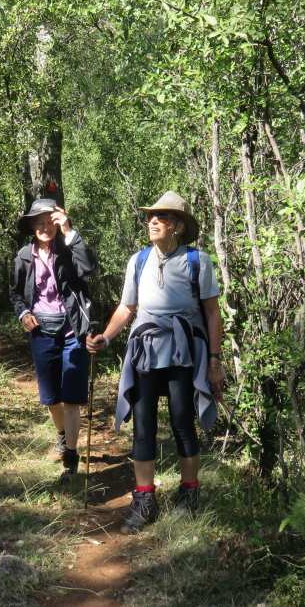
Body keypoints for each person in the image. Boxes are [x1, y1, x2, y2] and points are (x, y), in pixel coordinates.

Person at [87, 191, 225, 533]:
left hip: (182, 349)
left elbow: (212, 313)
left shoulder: (197, 261)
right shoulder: (138, 261)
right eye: (151, 217)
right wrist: (106, 336)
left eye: (161, 218)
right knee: (143, 423)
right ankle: (144, 499)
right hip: (146, 348)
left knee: (182, 420)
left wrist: (215, 360)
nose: (152, 222)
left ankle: (189, 494)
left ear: (177, 225)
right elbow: (127, 308)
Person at [10, 198, 96, 479]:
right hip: (41, 331)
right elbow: (16, 294)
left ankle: (70, 455)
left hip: (73, 330)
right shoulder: (24, 256)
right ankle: (62, 435)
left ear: (58, 224)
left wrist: (70, 232)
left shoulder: (69, 249)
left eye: (51, 221)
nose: (45, 227)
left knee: (71, 397)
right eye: (39, 222)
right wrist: (23, 313)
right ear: (32, 226)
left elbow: (89, 268)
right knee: (50, 398)